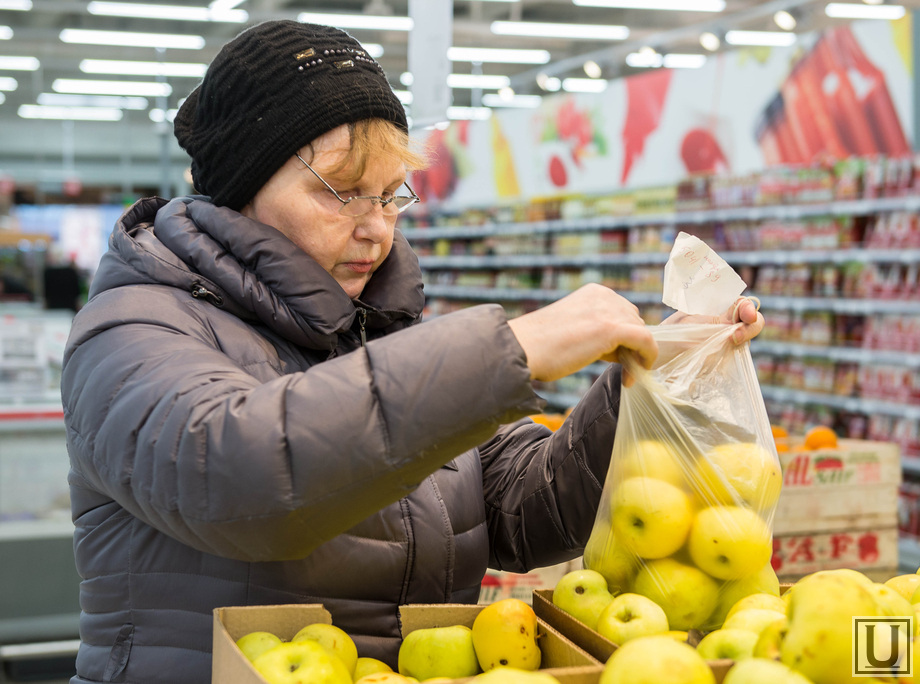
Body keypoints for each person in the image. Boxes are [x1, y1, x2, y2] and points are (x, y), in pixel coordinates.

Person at [60, 19, 764, 684]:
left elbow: (523, 510)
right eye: (341, 194)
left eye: (390, 195)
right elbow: (239, 475)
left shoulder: (385, 330)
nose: (376, 231)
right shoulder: (131, 329)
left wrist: (648, 381)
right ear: (239, 191)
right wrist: (509, 349)